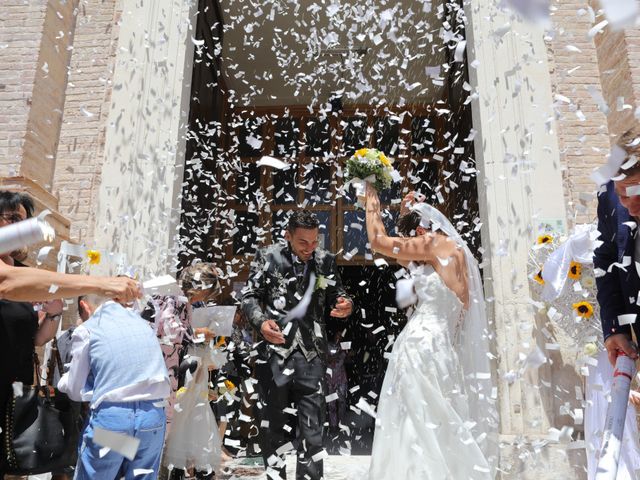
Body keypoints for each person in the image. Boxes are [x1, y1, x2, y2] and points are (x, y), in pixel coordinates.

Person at [362, 184, 497, 479]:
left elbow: (378, 241)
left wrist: (370, 196)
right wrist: (402, 213)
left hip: (420, 346)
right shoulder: (455, 253)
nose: (411, 243)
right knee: (433, 423)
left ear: (423, 231)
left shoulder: (434, 243)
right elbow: (403, 256)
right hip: (441, 348)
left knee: (414, 422)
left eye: (411, 236)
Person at [241, 209, 353, 480]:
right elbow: (250, 297)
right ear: (287, 235)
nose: (310, 248)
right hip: (276, 352)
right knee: (273, 426)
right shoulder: (267, 257)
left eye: (315, 242)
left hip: (312, 354)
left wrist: (346, 304)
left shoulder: (325, 260)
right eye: (303, 242)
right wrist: (261, 322)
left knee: (313, 428)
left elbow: (338, 293)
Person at [58, 295, 170, 479]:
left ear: (84, 306)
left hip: (114, 423)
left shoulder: (88, 328)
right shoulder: (143, 324)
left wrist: (64, 381)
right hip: (152, 419)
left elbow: (75, 390)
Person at [594, 126, 640, 366]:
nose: (631, 208)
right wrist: (615, 327)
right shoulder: (609, 198)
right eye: (624, 195)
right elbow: (606, 259)